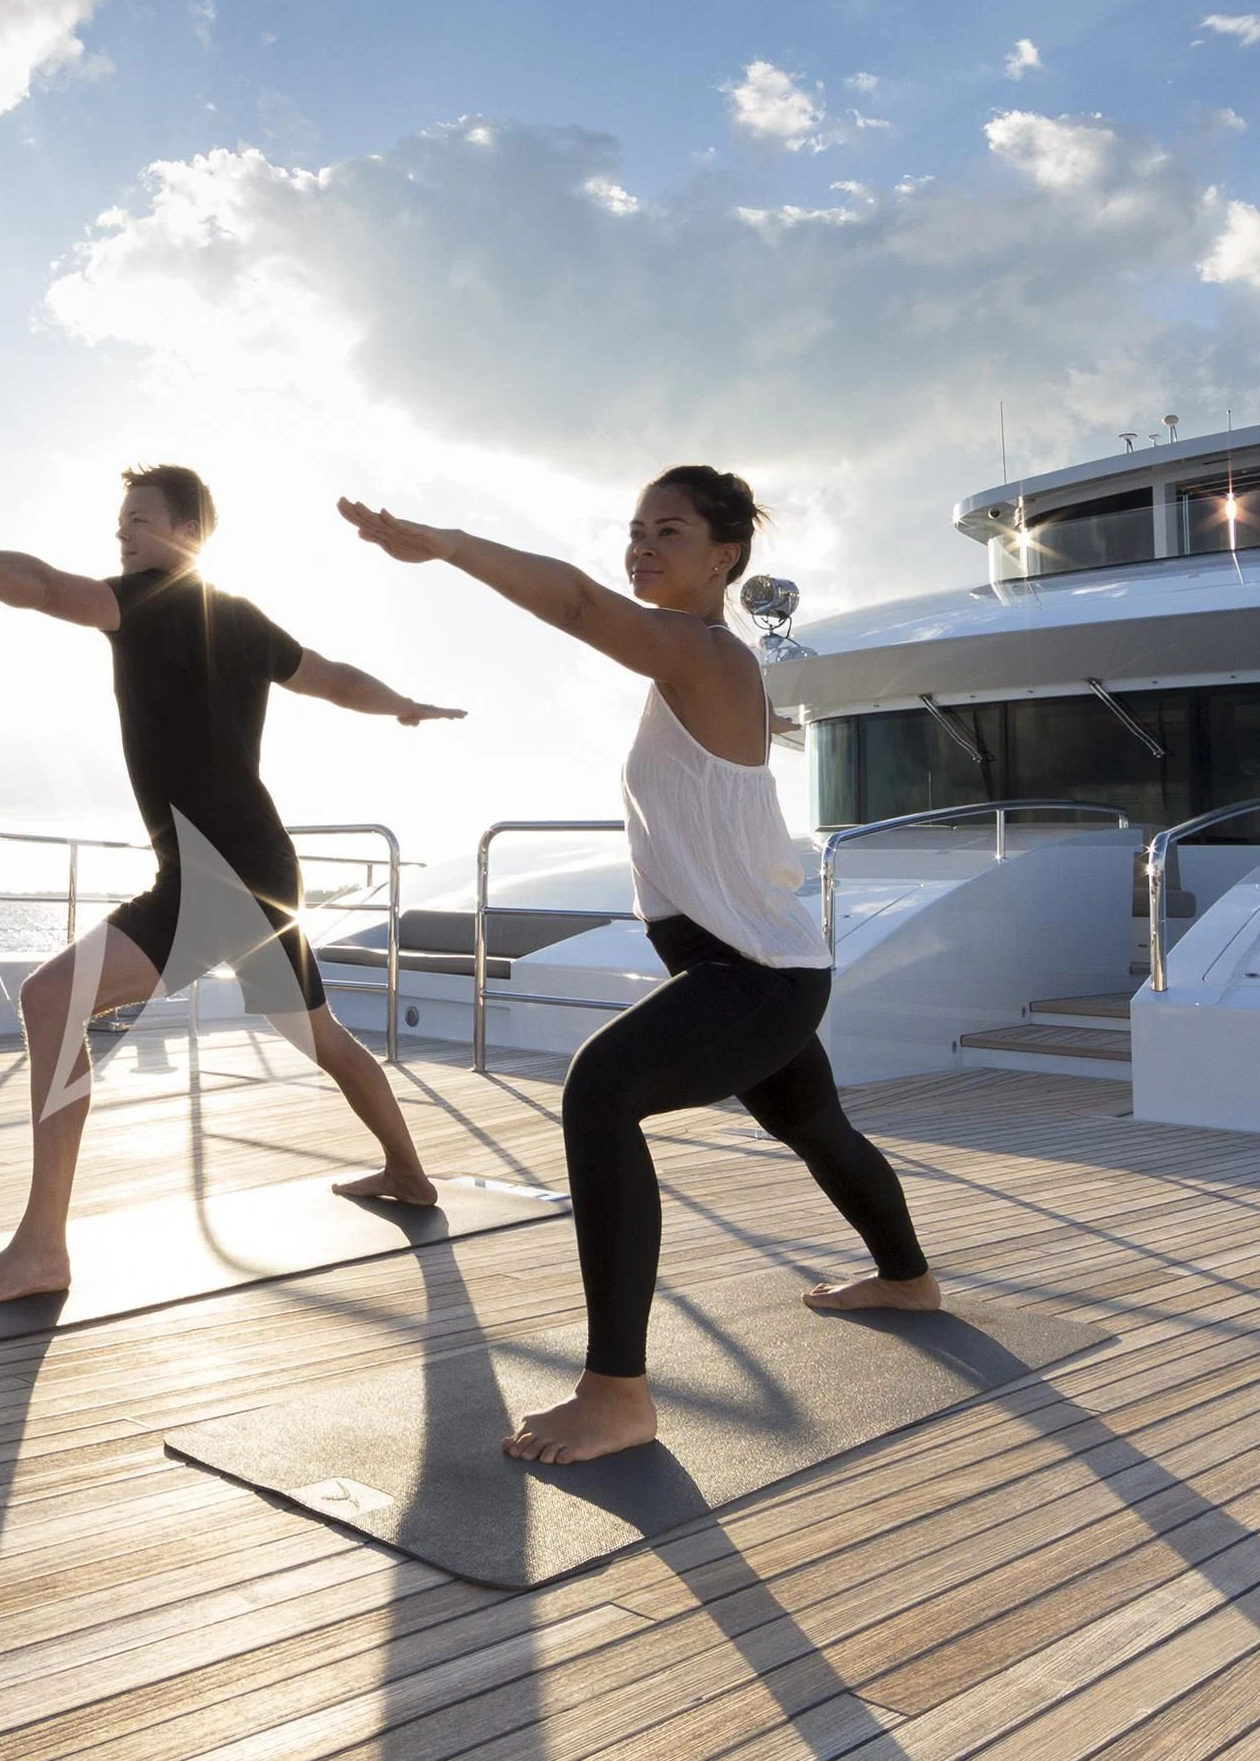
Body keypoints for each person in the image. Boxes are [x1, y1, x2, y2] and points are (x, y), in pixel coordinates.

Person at [339, 468, 935, 1463]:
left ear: (725, 557)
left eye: (670, 532)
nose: (644, 546)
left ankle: (617, 1394)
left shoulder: (702, 652)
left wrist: (445, 542)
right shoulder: (701, 668)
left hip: (749, 971)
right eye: (636, 530)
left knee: (600, 1089)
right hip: (765, 965)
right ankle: (908, 1279)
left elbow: (575, 601)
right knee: (816, 1124)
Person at [0, 463, 466, 1304]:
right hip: (256, 865)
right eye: (120, 521)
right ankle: (409, 1174)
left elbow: (39, 585)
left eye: (139, 520)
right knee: (320, 1037)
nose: (122, 535)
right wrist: (402, 705)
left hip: (220, 872)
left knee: (52, 1000)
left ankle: (41, 1247)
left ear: (188, 533)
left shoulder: (149, 603)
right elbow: (337, 680)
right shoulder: (240, 618)